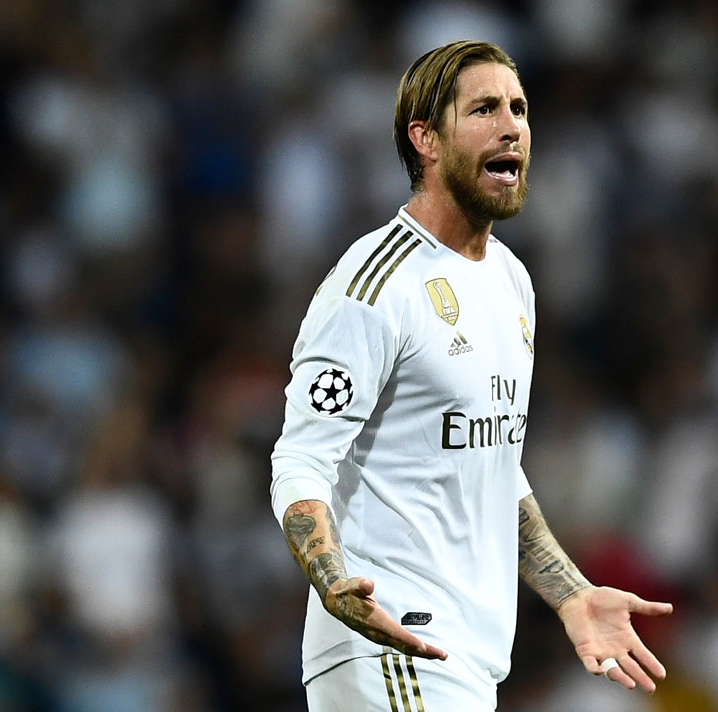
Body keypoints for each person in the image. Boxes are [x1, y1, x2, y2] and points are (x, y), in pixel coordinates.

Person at [270, 40, 673, 711]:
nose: (511, 126)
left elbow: (492, 466)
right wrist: (334, 583)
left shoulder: (511, 280)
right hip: (391, 644)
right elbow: (300, 459)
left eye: (519, 108)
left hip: (470, 659)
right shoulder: (374, 287)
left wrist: (571, 594)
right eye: (484, 109)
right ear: (425, 139)